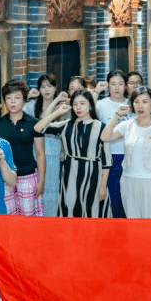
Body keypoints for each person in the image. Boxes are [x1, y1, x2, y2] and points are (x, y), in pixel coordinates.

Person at [35, 90, 112, 218]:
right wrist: (58, 112)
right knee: (70, 212)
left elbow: (106, 160)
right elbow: (38, 128)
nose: (78, 107)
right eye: (75, 104)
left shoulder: (102, 127)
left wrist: (103, 186)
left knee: (94, 213)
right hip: (70, 175)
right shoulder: (65, 125)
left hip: (94, 176)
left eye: (82, 103)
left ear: (90, 105)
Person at [101, 87, 151, 218]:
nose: (140, 106)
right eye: (136, 101)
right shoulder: (127, 125)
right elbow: (105, 137)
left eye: (145, 101)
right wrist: (117, 115)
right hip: (129, 181)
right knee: (133, 224)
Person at [0, 80, 45, 216]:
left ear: (24, 101)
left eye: (17, 98)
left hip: (28, 176)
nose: (12, 102)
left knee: (29, 218)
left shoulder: (34, 123)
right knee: (9, 217)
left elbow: (40, 154)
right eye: (8, 98)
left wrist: (41, 181)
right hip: (5, 177)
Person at [25, 73, 65, 216]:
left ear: (55, 88)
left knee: (52, 190)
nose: (47, 90)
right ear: (39, 90)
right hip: (35, 152)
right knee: (36, 188)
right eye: (43, 87)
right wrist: (28, 96)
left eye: (50, 86)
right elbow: (42, 121)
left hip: (55, 153)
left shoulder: (63, 107)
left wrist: (58, 101)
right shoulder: (31, 106)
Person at [96, 69, 130, 218]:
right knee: (114, 197)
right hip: (110, 157)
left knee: (128, 198)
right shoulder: (101, 104)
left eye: (120, 84)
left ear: (126, 86)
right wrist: (97, 90)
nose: (117, 87)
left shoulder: (132, 104)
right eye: (113, 84)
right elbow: (87, 108)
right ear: (108, 85)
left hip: (129, 156)